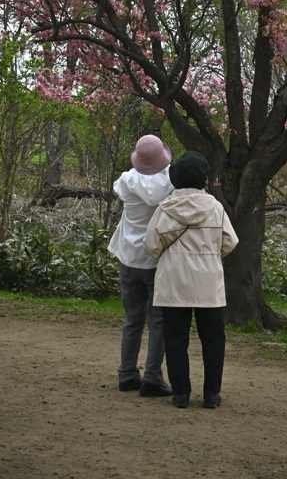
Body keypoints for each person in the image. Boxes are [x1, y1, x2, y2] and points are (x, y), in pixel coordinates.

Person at [144, 151, 238, 409]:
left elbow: (151, 246)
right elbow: (230, 242)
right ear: (203, 179)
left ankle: (181, 394)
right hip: (208, 283)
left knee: (175, 339)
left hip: (174, 282)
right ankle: (211, 394)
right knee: (213, 339)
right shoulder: (215, 208)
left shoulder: (165, 208)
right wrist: (210, 256)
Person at [108, 133, 174, 396]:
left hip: (129, 256)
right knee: (158, 320)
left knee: (132, 319)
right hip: (156, 257)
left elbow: (120, 187)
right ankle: (153, 376)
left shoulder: (127, 180)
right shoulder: (170, 180)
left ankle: (127, 373)